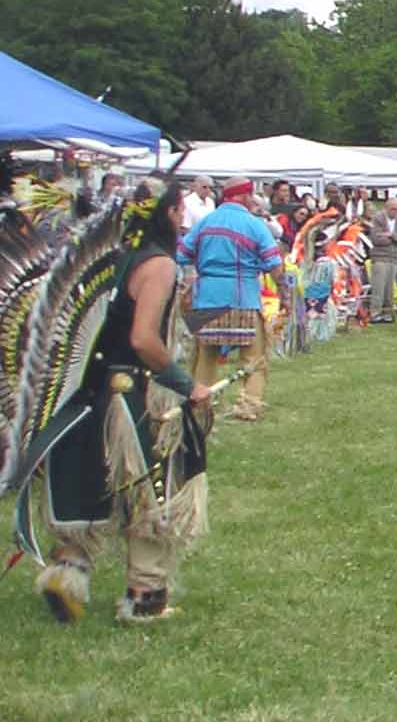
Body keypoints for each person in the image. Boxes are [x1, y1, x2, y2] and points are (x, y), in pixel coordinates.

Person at [22, 180, 216, 624]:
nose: (183, 218)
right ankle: (145, 596)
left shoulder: (106, 258)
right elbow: (144, 338)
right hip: (133, 395)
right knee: (151, 493)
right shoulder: (159, 265)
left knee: (88, 485)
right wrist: (189, 385)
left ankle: (66, 576)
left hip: (84, 394)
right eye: (179, 208)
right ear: (166, 214)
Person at [178, 178, 284, 421]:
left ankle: (200, 405)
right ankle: (248, 405)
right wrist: (284, 292)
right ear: (245, 196)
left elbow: (182, 255)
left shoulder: (205, 222)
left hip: (206, 298)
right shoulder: (254, 225)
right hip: (243, 297)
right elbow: (275, 264)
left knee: (205, 356)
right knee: (254, 358)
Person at [366, 196, 397, 323]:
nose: (395, 212)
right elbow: (376, 239)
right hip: (379, 257)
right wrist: (395, 239)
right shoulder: (377, 218)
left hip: (393, 258)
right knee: (379, 287)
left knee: (389, 289)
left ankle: (388, 313)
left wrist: (391, 235)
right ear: (386, 208)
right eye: (392, 209)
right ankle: (375, 313)